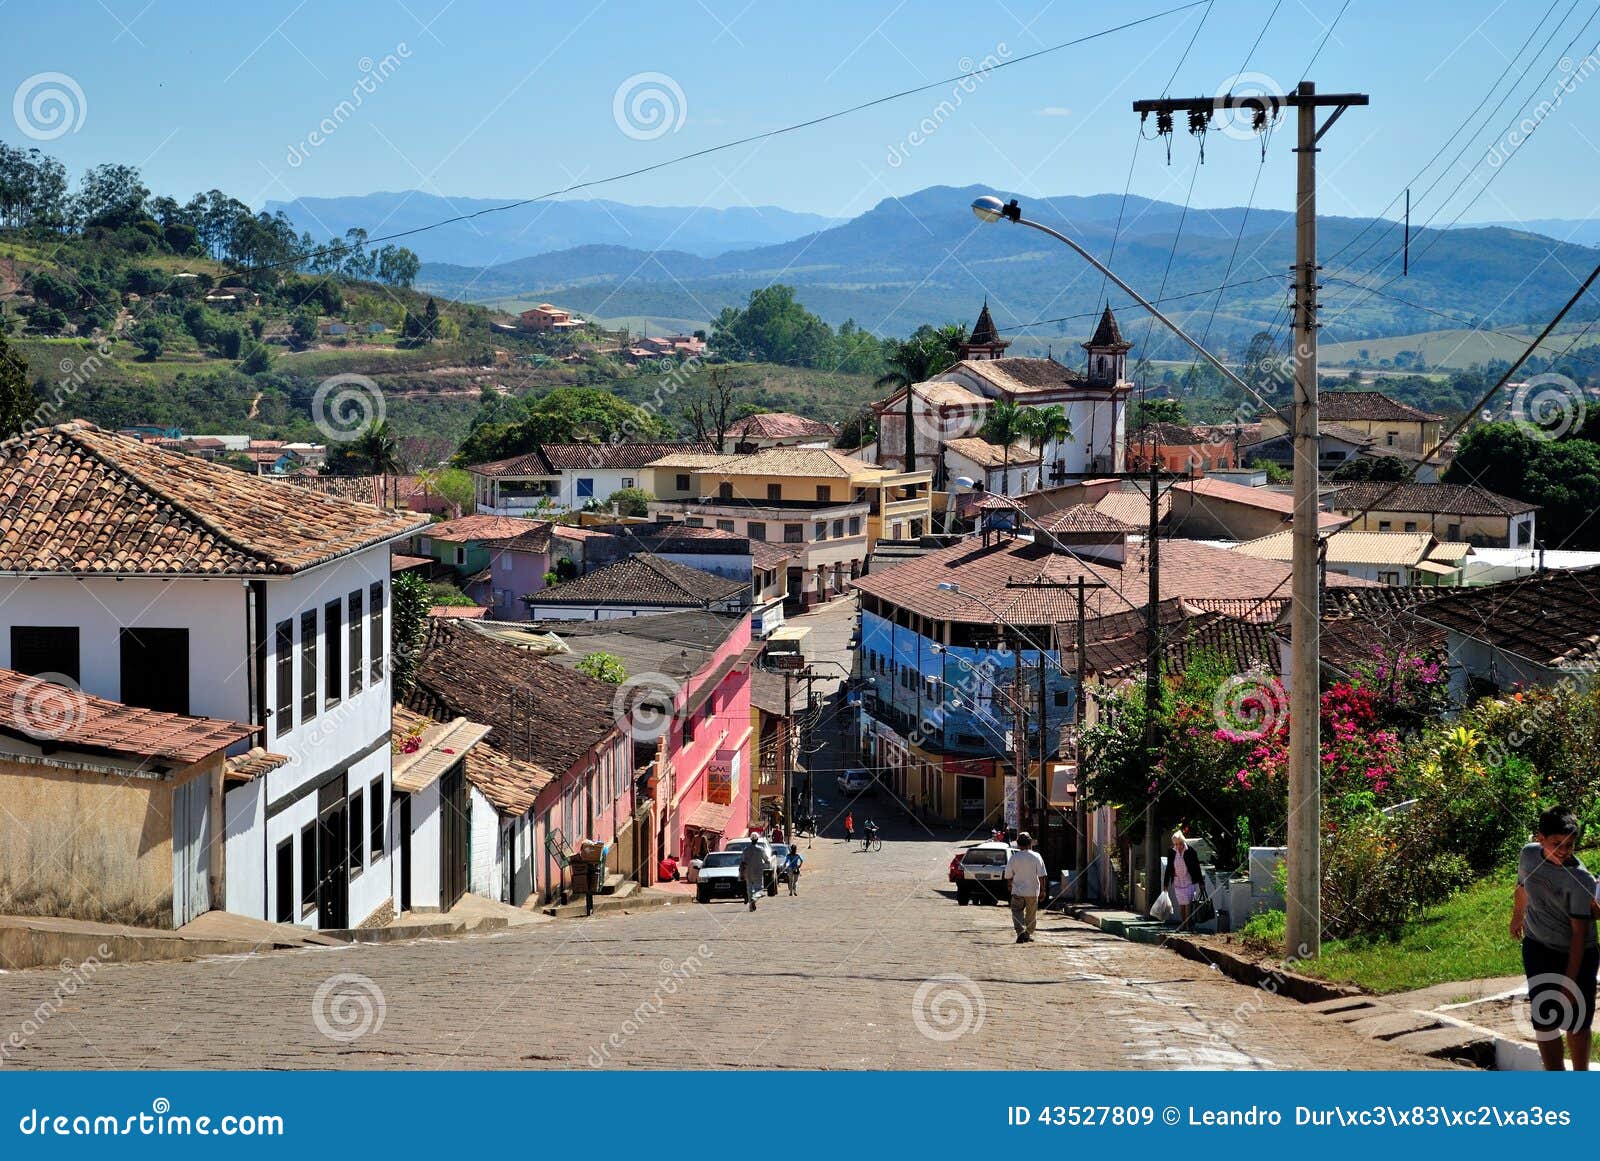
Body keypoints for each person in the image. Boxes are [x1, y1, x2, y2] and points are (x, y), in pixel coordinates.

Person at [1510, 806, 1597, 1071]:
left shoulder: (1580, 879)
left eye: (1569, 845)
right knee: (1543, 1020)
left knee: (1576, 1021)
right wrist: (1517, 917)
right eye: (1556, 843)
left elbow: (1579, 935)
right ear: (1540, 838)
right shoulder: (1528, 855)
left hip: (1577, 952)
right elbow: (1522, 887)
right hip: (1538, 947)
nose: (1563, 850)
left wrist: (1569, 983)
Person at [1004, 832, 1048, 944]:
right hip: (1032, 891)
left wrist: (1009, 885)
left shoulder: (1014, 857)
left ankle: (1020, 932)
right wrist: (1043, 890)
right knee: (1031, 914)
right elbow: (1041, 875)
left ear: (1018, 844)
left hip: (1017, 891)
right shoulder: (1036, 856)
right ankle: (1027, 934)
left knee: (1016, 911)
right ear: (1030, 843)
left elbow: (1008, 875)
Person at [1162, 831, 1204, 929]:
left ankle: (1187, 925)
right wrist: (1165, 884)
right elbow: (1169, 868)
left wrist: (1201, 882)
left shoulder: (1191, 851)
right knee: (1181, 904)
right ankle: (1184, 923)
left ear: (1183, 841)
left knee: (1188, 903)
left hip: (1189, 881)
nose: (1178, 846)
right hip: (1178, 882)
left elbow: (1197, 867)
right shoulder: (1172, 852)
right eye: (1176, 844)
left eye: (1180, 843)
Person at [738, 839, 766, 912]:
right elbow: (766, 859)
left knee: (749, 889)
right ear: (757, 840)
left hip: (748, 872)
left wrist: (741, 873)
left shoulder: (746, 849)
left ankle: (750, 906)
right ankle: (754, 899)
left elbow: (742, 862)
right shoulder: (760, 849)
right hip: (758, 872)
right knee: (759, 889)